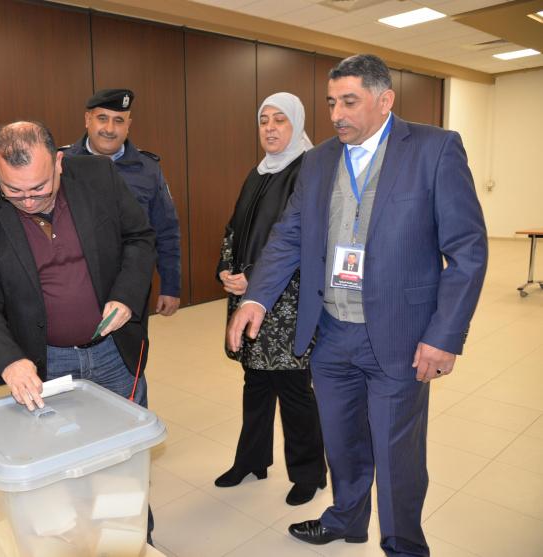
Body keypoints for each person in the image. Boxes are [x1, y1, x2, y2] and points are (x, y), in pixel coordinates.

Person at [227, 55, 487, 557]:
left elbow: (468, 251)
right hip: (331, 333)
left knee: (395, 453)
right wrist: (256, 296)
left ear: (385, 100)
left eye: (349, 102)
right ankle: (347, 519)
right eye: (331, 103)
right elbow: (290, 234)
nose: (336, 114)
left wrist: (444, 335)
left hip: (401, 334)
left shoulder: (433, 149)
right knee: (342, 441)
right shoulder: (320, 159)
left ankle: (404, 544)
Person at [0, 121, 156, 540]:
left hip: (113, 350)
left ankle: (132, 541)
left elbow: (139, 238)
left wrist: (126, 295)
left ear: (59, 162)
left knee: (123, 458)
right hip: (45, 361)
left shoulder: (99, 176)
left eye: (39, 187)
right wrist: (9, 360)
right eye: (14, 191)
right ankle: (82, 542)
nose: (28, 200)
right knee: (61, 464)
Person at [214, 93, 327, 506]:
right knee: (256, 384)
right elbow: (234, 229)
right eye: (264, 120)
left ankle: (309, 473)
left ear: (296, 124)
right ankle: (252, 460)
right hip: (248, 300)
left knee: (294, 391)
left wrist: (256, 278)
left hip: (287, 304)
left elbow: (306, 241)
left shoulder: (308, 171)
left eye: (280, 119)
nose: (270, 128)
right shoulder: (258, 172)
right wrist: (226, 269)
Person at [62, 89, 181, 316]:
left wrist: (170, 285)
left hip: (133, 284)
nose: (109, 129)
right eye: (102, 118)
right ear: (87, 119)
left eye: (118, 121)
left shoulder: (148, 169)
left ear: (128, 125)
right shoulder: (62, 164)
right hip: (75, 286)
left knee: (131, 340)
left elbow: (166, 230)